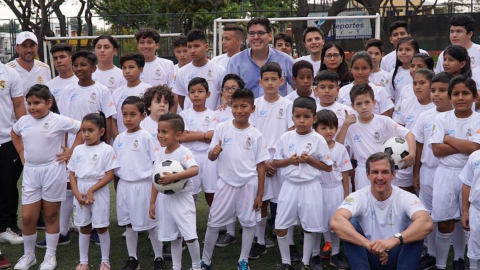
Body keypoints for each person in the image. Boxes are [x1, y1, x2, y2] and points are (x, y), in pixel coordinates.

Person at [11, 85, 82, 270]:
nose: (32, 107)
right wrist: (21, 151)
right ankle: (29, 256)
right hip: (31, 172)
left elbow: (82, 129)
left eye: (37, 103)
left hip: (53, 171)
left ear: (49, 102)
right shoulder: (24, 121)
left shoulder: (58, 120)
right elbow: (14, 132)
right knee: (27, 217)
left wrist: (71, 152)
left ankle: (50, 256)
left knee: (50, 215)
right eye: (29, 103)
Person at [201, 89, 270, 270]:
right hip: (225, 184)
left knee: (248, 223)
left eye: (244, 106)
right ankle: (205, 261)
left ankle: (243, 260)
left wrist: (260, 195)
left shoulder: (256, 134)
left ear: (252, 108)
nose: (239, 110)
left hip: (249, 185)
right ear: (230, 107)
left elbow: (261, 166)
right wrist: (213, 152)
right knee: (213, 223)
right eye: (235, 106)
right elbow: (211, 156)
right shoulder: (222, 128)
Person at [330, 152, 433, 270]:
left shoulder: (405, 197)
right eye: (375, 172)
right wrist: (369, 245)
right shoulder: (359, 196)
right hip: (369, 254)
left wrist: (393, 241)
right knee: (350, 223)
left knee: (415, 226)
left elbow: (427, 223)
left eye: (384, 172)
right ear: (367, 175)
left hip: (396, 254)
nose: (379, 177)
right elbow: (336, 222)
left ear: (393, 174)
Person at [273, 97, 333, 270]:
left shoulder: (318, 139)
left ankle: (305, 262)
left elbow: (328, 168)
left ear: (314, 119)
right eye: (298, 116)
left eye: (306, 117)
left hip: (310, 186)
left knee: (310, 225)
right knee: (281, 225)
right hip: (289, 186)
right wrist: (290, 161)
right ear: (292, 117)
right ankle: (285, 261)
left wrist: (309, 161)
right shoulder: (286, 137)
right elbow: (276, 162)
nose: (301, 120)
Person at [430, 76, 480, 270]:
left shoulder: (478, 119)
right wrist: (465, 146)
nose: (461, 97)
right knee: (445, 221)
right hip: (446, 173)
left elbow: (475, 148)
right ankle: (441, 265)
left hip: (472, 174)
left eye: (465, 93)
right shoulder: (441, 118)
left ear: (475, 96)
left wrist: (448, 138)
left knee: (464, 219)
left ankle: (460, 258)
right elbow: (436, 150)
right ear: (450, 97)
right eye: (456, 94)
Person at [113, 96, 165, 270]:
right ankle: (133, 258)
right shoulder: (119, 139)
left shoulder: (146, 137)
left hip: (143, 186)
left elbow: (155, 164)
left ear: (143, 116)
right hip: (124, 187)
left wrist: (153, 192)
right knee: (129, 224)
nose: (128, 119)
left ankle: (159, 258)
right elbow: (116, 166)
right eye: (125, 114)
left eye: (133, 114)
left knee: (151, 224)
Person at [36, 43, 79, 249]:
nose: (59, 61)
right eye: (55, 58)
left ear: (71, 59)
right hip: (62, 144)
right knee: (66, 186)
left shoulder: (85, 81)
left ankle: (93, 227)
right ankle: (63, 231)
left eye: (63, 56)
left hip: (86, 139)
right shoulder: (50, 86)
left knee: (89, 182)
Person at [249, 62, 293, 260]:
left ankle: (290, 243)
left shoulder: (288, 105)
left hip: (282, 162)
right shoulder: (255, 105)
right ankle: (259, 241)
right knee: (262, 200)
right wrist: (265, 160)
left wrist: (278, 161)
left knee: (285, 202)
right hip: (261, 161)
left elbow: (292, 132)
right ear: (260, 81)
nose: (269, 83)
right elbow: (252, 133)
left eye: (274, 79)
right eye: (265, 79)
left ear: (281, 81)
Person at [411, 72, 454, 270]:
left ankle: (458, 257)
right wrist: (417, 172)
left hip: (449, 171)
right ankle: (430, 253)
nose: (436, 94)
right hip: (428, 171)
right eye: (434, 90)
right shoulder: (425, 116)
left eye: (442, 91)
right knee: (427, 214)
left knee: (450, 216)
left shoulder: (459, 116)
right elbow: (419, 146)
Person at [336, 84, 415, 190]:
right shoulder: (350, 126)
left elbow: (408, 134)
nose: (363, 107)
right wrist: (345, 125)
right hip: (363, 171)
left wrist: (412, 153)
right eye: (359, 104)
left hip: (385, 168)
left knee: (388, 201)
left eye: (367, 102)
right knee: (366, 203)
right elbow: (338, 147)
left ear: (374, 102)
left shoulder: (383, 121)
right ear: (353, 106)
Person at [149, 113, 201, 270]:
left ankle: (197, 266)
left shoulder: (184, 152)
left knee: (190, 236)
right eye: (158, 131)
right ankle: (176, 267)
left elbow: (194, 170)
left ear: (178, 135)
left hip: (182, 199)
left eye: (164, 132)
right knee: (174, 237)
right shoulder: (159, 154)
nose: (160, 135)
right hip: (165, 200)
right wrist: (152, 202)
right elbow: (155, 179)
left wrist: (175, 177)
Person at [69, 112, 119, 270]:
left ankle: (105, 261)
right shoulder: (77, 150)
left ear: (102, 132)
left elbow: (110, 174)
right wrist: (77, 194)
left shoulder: (107, 149)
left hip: (99, 191)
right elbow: (71, 173)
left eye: (90, 130)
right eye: (83, 130)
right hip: (80, 190)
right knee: (83, 226)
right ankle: (83, 261)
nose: (86, 134)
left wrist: (91, 190)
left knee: (101, 226)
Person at [206, 74, 245, 248]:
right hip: (224, 161)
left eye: (234, 88)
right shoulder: (218, 113)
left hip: (244, 161)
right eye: (226, 89)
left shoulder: (248, 109)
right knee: (226, 197)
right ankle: (230, 232)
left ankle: (251, 231)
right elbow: (211, 135)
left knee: (246, 198)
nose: (230, 92)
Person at [312, 109, 352, 270]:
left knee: (336, 223)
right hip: (317, 190)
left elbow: (345, 172)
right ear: (315, 129)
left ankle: (335, 252)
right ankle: (315, 254)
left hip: (335, 190)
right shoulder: (313, 148)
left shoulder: (340, 149)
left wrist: (346, 193)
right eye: (323, 128)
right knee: (316, 223)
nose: (328, 131)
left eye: (331, 127)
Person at [227, 17, 294, 98]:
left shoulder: (286, 60)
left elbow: (299, 88)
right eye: (251, 33)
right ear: (247, 37)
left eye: (260, 33)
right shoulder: (235, 61)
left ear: (270, 36)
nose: (256, 37)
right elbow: (227, 91)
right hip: (246, 110)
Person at [0, 55, 25, 268]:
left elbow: (19, 107)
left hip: (7, 140)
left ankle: (7, 226)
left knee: (8, 188)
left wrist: (24, 135)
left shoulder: (10, 73)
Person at [393, 69, 435, 193]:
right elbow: (398, 127)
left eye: (422, 83)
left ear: (432, 84)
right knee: (404, 191)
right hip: (406, 155)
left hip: (427, 157)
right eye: (414, 83)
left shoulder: (438, 107)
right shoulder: (406, 103)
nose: (417, 87)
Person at [179, 77, 216, 204]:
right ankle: (189, 222)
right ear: (188, 94)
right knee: (189, 193)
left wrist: (192, 134)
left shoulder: (213, 114)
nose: (196, 95)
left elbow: (213, 136)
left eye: (200, 91)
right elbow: (182, 137)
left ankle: (213, 222)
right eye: (192, 92)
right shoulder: (184, 115)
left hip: (208, 157)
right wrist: (205, 135)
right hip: (190, 156)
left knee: (211, 192)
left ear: (208, 94)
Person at [173, 29, 225, 111]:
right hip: (190, 122)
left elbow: (224, 97)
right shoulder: (181, 72)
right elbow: (181, 98)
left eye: (196, 46)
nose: (192, 51)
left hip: (213, 120)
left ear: (206, 47)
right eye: (189, 47)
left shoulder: (220, 70)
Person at [337, 51, 394, 117]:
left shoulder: (379, 91)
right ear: (351, 69)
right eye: (356, 68)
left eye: (364, 68)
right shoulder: (343, 91)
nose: (360, 72)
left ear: (371, 69)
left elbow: (385, 119)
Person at [112, 53, 151, 137]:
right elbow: (113, 119)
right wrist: (117, 138)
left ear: (141, 70)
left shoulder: (149, 91)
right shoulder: (117, 93)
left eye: (131, 67)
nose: (127, 71)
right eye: (124, 68)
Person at [7, 31, 51, 100]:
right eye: (24, 46)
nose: (29, 50)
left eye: (32, 45)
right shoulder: (7, 70)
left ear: (37, 47)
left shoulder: (45, 68)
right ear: (17, 48)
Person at [315, 70, 355, 137]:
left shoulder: (347, 111)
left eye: (331, 87)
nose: (327, 91)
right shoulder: (311, 111)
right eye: (322, 87)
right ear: (316, 90)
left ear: (337, 90)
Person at [460, 142, 480, 270]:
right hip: (477, 210)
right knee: (474, 248)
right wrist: (465, 211)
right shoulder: (475, 157)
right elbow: (467, 184)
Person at [386, 37, 420, 104]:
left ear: (415, 52)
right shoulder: (392, 74)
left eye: (408, 50)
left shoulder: (422, 72)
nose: (403, 53)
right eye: (400, 50)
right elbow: (390, 99)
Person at [172, 35, 191, 114]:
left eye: (185, 51)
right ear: (174, 53)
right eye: (178, 52)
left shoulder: (195, 69)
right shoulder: (170, 69)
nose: (182, 55)